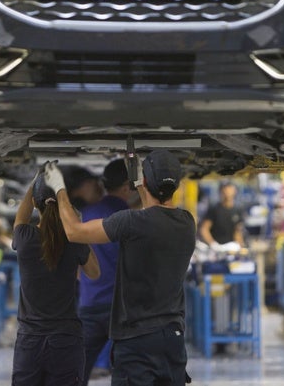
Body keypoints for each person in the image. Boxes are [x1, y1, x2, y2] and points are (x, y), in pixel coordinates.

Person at [44, 150, 196, 386]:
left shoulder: (131, 222)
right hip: (172, 338)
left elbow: (73, 231)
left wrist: (59, 187)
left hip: (136, 340)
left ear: (141, 182)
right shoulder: (186, 222)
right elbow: (154, 209)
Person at [11, 172, 100, 386]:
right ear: (64, 205)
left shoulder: (24, 237)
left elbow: (20, 218)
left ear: (35, 203)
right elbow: (95, 272)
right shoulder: (73, 240)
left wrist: (35, 181)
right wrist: (78, 229)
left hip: (30, 341)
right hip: (66, 340)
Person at [78, 159, 133, 385]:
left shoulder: (87, 213)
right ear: (127, 186)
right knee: (125, 369)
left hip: (89, 303)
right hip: (119, 309)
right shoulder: (131, 218)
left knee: (77, 369)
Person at [199, 181, 245, 249]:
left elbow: (237, 231)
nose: (228, 192)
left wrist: (240, 246)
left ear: (235, 191)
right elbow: (204, 229)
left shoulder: (238, 210)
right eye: (225, 189)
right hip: (217, 247)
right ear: (221, 191)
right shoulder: (214, 208)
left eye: (230, 189)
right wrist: (213, 244)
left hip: (231, 247)